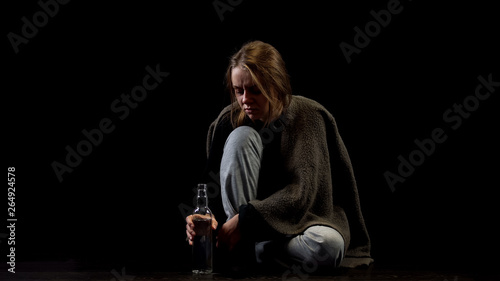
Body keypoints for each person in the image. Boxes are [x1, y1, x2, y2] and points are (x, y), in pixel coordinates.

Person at [186, 40, 372, 273]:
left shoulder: (307, 115)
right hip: (244, 222)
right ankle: (247, 250)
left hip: (302, 221)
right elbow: (210, 186)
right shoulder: (229, 119)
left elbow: (302, 195)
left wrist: (246, 221)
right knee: (240, 136)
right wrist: (203, 218)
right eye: (238, 90)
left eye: (255, 90)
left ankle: (250, 252)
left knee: (328, 245)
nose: (245, 99)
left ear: (276, 85)